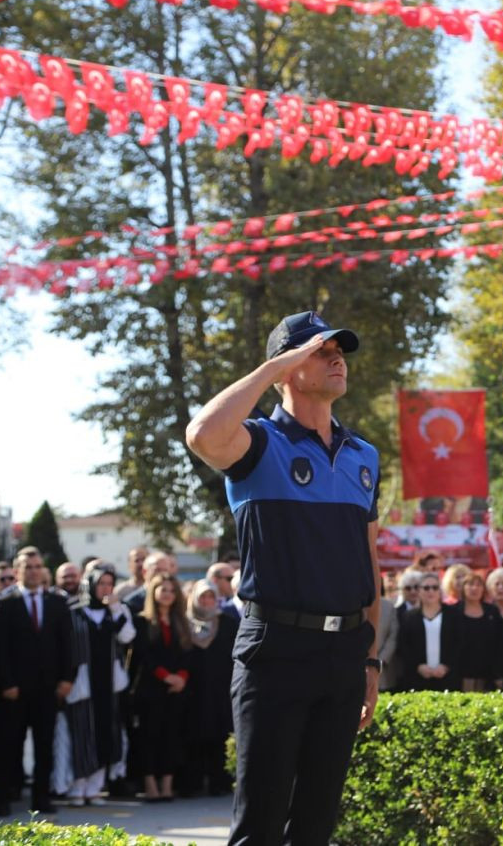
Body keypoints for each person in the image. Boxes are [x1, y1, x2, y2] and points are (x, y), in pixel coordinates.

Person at [185, 309, 383, 844]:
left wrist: (369, 657)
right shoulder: (257, 443)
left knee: (316, 824)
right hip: (274, 650)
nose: (337, 357)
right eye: (321, 350)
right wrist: (273, 367)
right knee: (261, 822)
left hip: (343, 655)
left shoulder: (364, 454)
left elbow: (370, 566)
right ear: (288, 366)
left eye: (339, 349)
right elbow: (202, 433)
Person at [0, 546, 74, 816]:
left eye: (38, 566)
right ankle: (2, 799)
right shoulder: (5, 604)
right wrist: (5, 684)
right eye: (28, 567)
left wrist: (66, 679)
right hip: (14, 690)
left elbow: (68, 645)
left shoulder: (57, 603)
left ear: (44, 571)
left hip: (47, 689)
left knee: (44, 746)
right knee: (7, 746)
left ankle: (41, 799)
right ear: (18, 571)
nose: (34, 571)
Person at [61, 567, 136, 805]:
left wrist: (115, 608)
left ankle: (95, 787)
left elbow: (127, 637)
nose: (105, 588)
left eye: (109, 584)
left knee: (106, 732)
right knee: (82, 733)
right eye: (101, 584)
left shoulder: (116, 611)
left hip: (109, 683)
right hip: (83, 683)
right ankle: (77, 786)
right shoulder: (75, 612)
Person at [130, 573, 192, 801]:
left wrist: (181, 677)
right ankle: (150, 785)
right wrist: (166, 677)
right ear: (154, 592)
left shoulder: (181, 622)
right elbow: (144, 657)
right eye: (163, 589)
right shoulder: (142, 621)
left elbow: (187, 654)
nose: (167, 594)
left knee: (171, 736)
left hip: (176, 690)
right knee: (149, 736)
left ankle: (167, 784)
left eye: (171, 590)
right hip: (151, 689)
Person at [181, 581, 239, 797]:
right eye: (202, 597)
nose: (206, 602)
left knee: (219, 735)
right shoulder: (184, 623)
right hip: (192, 690)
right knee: (192, 735)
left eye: (210, 597)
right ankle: (192, 783)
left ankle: (219, 782)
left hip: (220, 690)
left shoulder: (227, 622)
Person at [398, 572, 460, 691]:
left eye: (435, 587)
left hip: (448, 679)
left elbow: (459, 643)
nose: (430, 591)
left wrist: (446, 666)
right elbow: (404, 645)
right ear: (419, 591)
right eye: (426, 588)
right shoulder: (408, 617)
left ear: (439, 591)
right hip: (417, 680)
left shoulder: (453, 614)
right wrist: (418, 666)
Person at [455, 572, 501, 692]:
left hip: (487, 671)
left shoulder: (492, 611)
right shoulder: (453, 611)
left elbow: (498, 642)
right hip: (460, 672)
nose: (474, 588)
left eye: (478, 585)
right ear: (463, 588)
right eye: (470, 584)